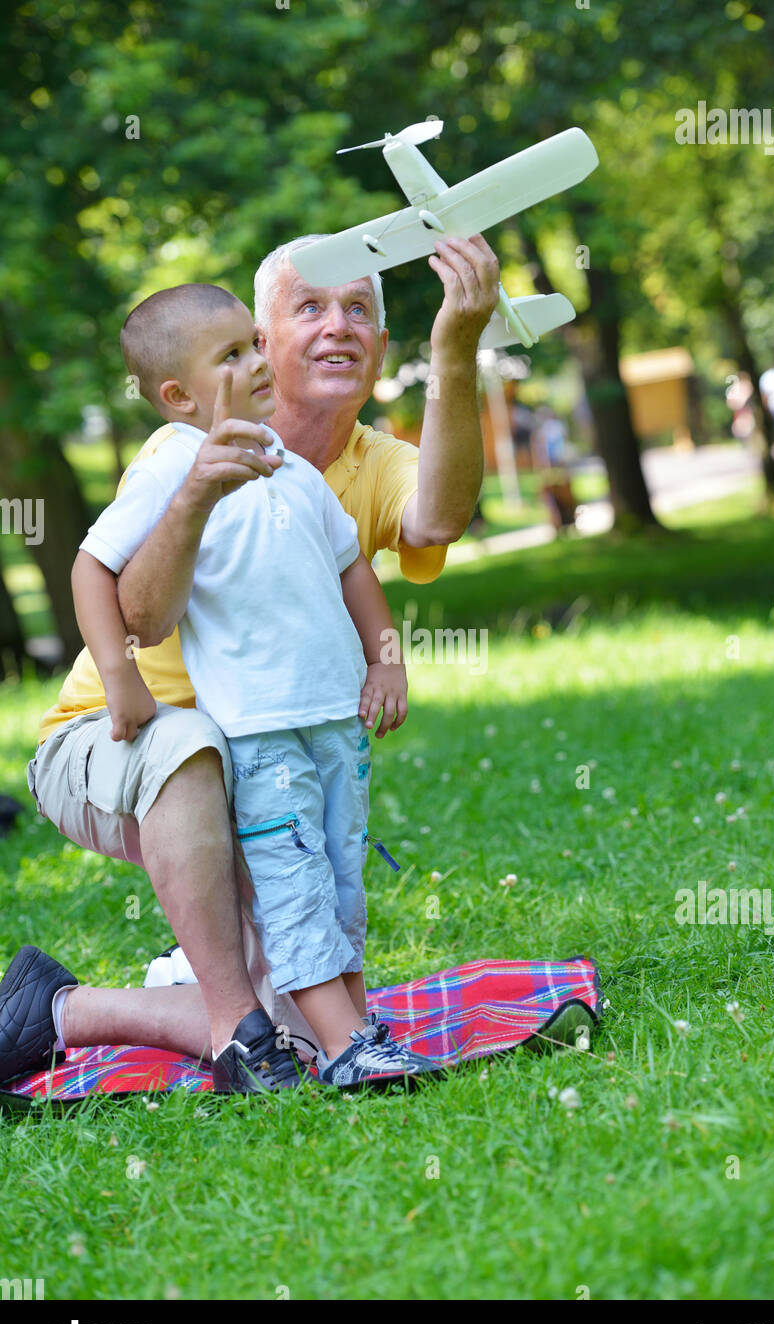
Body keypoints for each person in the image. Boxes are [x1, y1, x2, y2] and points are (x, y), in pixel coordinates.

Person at [0, 235, 500, 1093]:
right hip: (119, 747)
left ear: (381, 346)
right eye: (308, 308)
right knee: (189, 739)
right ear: (262, 343)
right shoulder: (175, 456)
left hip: (271, 753)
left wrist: (456, 343)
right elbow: (136, 615)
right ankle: (236, 1026)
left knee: (315, 1020)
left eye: (359, 312)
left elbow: (432, 523)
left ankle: (61, 1010)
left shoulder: (324, 473)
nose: (338, 327)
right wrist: (197, 495)